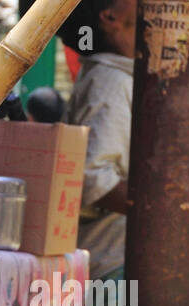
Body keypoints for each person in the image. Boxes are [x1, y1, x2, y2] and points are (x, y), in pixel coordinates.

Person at [62, 0, 136, 284]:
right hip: (109, 269)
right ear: (110, 17)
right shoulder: (111, 82)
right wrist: (168, 214)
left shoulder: (116, 78)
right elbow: (93, 178)